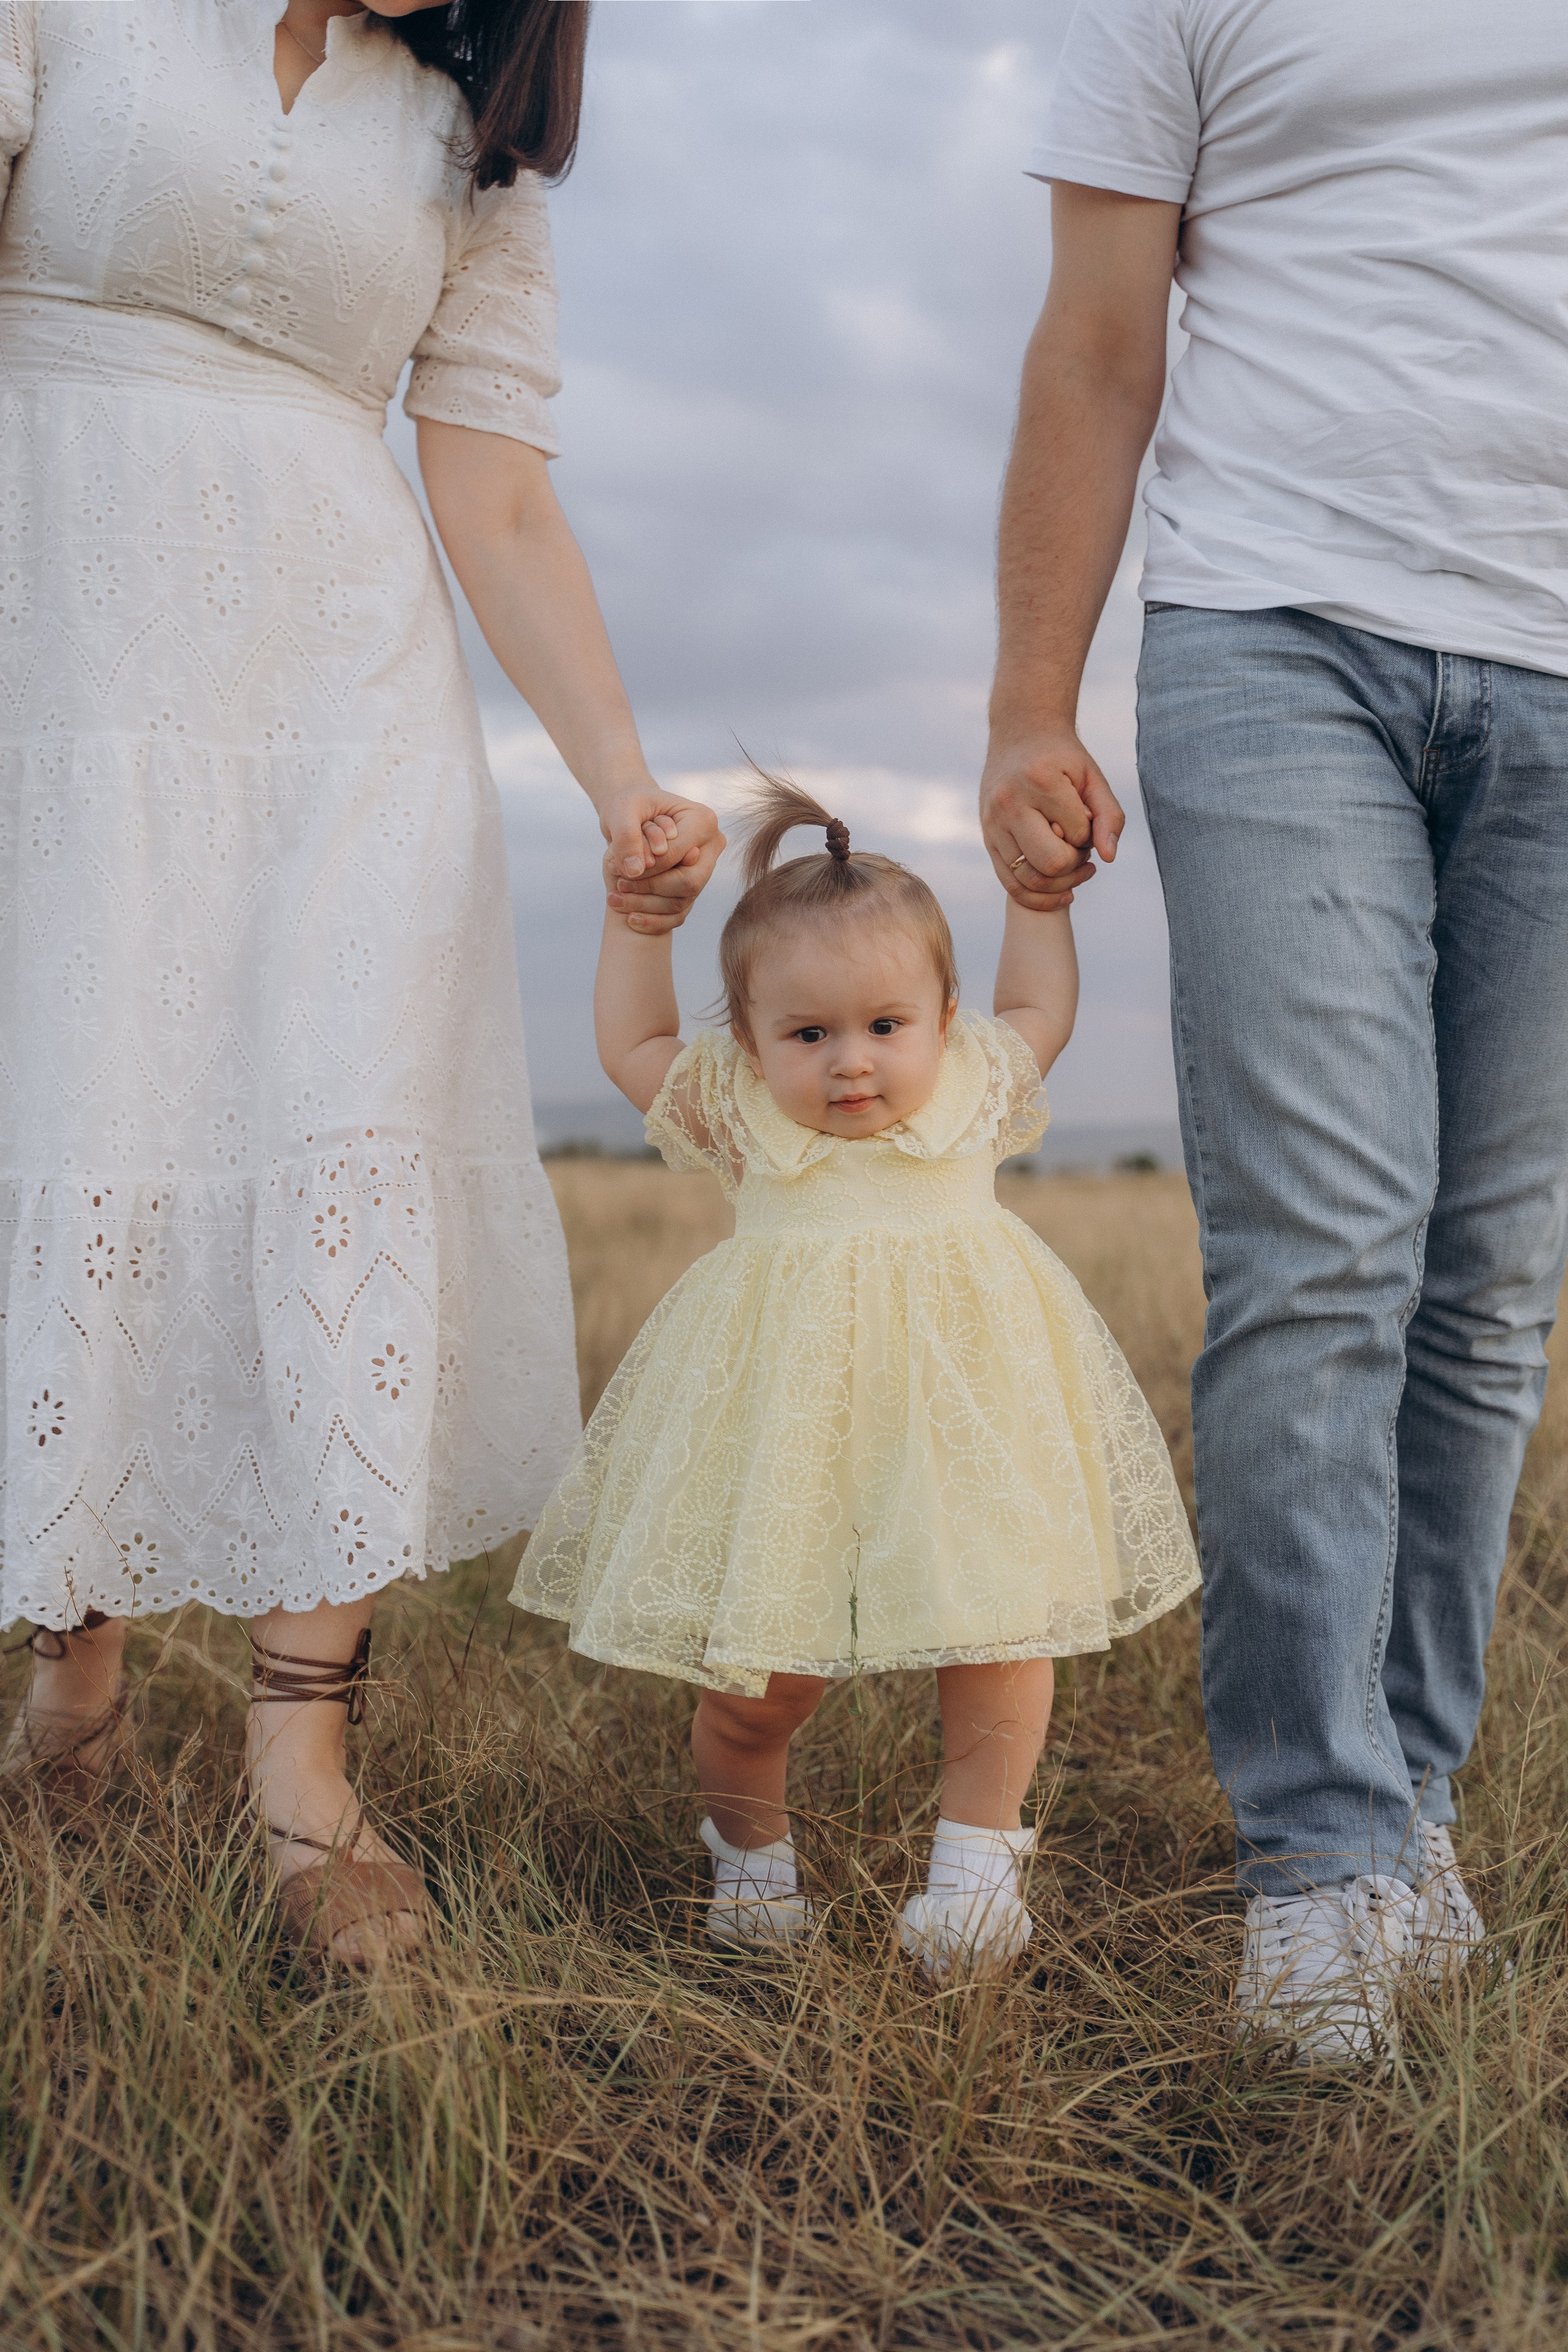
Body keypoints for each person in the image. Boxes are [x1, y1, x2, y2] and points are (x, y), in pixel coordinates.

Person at [0, 0, 720, 1967]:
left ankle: (305, 1783)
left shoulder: (458, 141)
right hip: (52, 650)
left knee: (331, 1149)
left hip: (343, 701)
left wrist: (623, 782)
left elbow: (495, 498)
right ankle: (75, 1681)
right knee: (98, 1129)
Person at [981, 0, 1568, 2057]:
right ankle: (1317, 1866)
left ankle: (1412, 1800)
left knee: (1489, 1289)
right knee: (1324, 1259)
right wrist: (1025, 705)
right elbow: (1100, 343)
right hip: (1274, 628)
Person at [510, 774, 1197, 1977]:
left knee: (995, 1636)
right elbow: (631, 1042)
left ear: (943, 1017)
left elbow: (1037, 999)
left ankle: (976, 1884)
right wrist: (640, 927)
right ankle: (752, 1876)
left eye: (886, 1026)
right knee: (758, 1686)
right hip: (790, 1434)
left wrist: (1038, 896)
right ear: (747, 1039)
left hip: (958, 1423)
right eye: (807, 1034)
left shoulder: (979, 1081)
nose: (850, 1065)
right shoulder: (736, 1111)